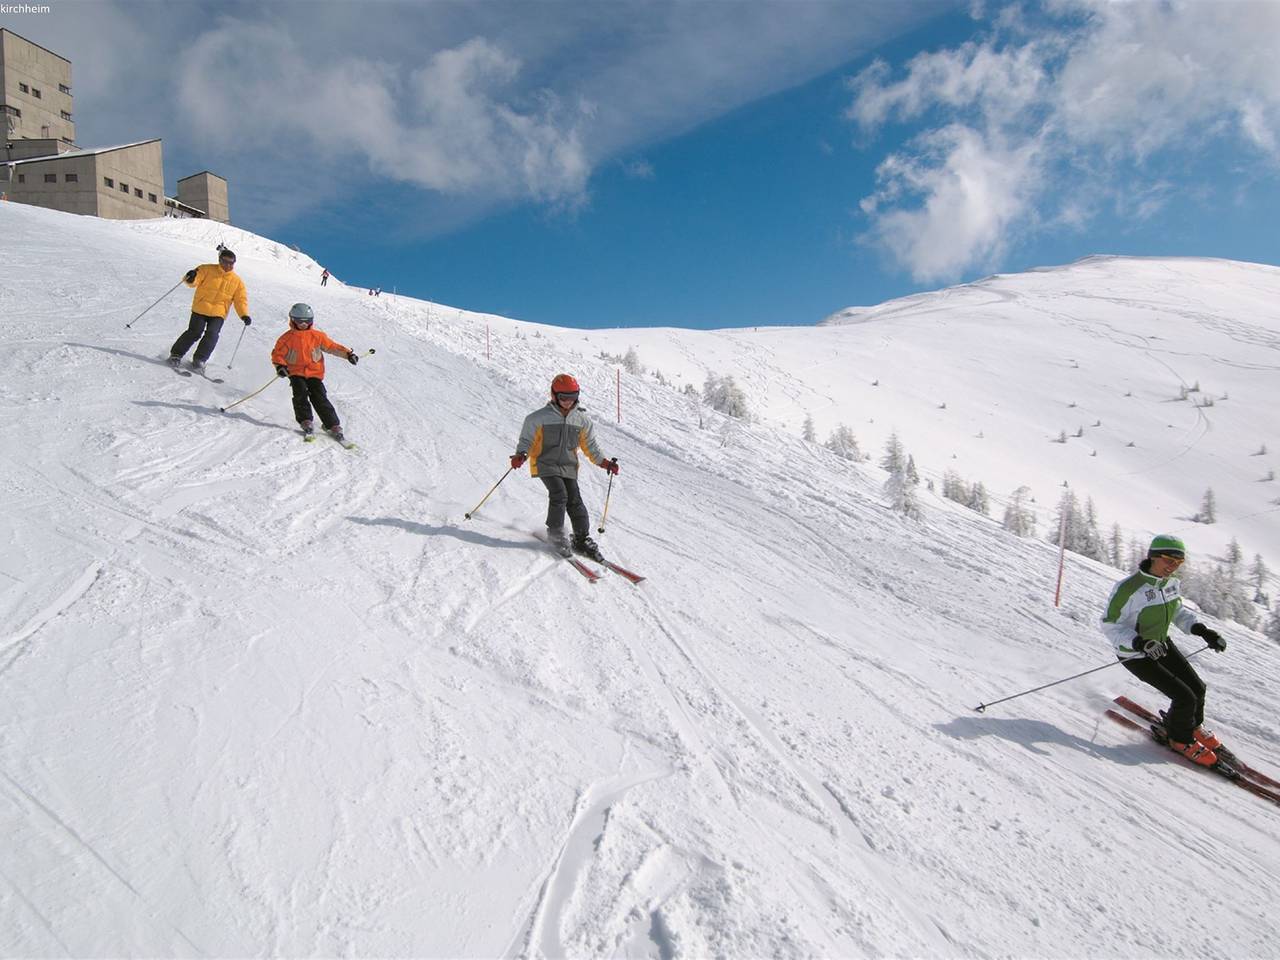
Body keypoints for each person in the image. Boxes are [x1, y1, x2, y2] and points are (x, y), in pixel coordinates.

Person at [1101, 534, 1228, 766]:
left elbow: (1177, 612)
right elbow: (1110, 625)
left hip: (1161, 644)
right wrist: (1139, 643)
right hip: (1136, 654)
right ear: (1153, 556)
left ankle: (1191, 725)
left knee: (1198, 689)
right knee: (1184, 697)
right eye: (1169, 560)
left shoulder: (1169, 584)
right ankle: (1180, 739)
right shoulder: (1129, 588)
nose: (1173, 567)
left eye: (1178, 563)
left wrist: (1202, 630)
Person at [510, 373, 619, 560]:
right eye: (563, 398)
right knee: (559, 494)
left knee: (574, 500)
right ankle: (556, 534)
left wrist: (604, 462)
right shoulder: (537, 418)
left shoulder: (582, 420)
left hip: (568, 466)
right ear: (554, 395)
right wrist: (521, 454)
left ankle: (581, 538)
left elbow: (590, 446)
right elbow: (526, 440)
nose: (568, 402)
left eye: (573, 397)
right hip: (545, 463)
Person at [270, 303, 358, 441]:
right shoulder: (286, 338)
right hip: (296, 372)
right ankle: (305, 420)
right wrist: (280, 366)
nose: (303, 324)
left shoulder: (317, 336)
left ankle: (332, 424)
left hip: (314, 372)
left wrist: (348, 354)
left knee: (319, 396)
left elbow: (332, 347)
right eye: (300, 321)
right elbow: (277, 354)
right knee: (300, 393)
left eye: (307, 321)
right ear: (292, 320)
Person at [168, 247, 251, 372]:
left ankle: (199, 359)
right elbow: (194, 281)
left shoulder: (237, 281)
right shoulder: (206, 269)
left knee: (212, 335)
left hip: (219, 313)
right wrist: (191, 277)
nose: (228, 265)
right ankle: (176, 354)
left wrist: (244, 314)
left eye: (231, 263)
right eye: (225, 262)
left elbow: (240, 300)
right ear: (220, 260)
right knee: (194, 332)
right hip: (201, 308)